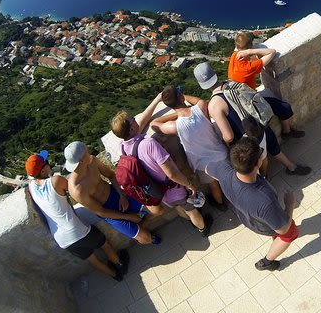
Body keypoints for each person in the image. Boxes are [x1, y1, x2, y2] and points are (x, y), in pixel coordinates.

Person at [110, 93, 212, 237]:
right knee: (191, 210)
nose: (135, 120)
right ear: (132, 129)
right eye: (133, 120)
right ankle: (203, 228)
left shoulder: (123, 147)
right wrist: (188, 184)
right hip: (173, 187)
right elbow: (171, 173)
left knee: (177, 206)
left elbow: (143, 120)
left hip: (157, 191)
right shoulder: (149, 144)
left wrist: (157, 99)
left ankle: (190, 221)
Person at [26, 150, 129, 281]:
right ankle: (120, 265)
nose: (49, 163)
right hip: (78, 231)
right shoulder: (56, 181)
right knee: (104, 244)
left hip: (62, 241)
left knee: (91, 258)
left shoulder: (31, 187)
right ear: (42, 171)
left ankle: (115, 276)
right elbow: (75, 191)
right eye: (46, 162)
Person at [195, 62, 311, 177]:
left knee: (259, 159)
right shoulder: (232, 83)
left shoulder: (214, 105)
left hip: (248, 139)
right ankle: (291, 167)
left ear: (201, 84)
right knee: (272, 147)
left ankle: (264, 178)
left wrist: (224, 142)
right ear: (214, 73)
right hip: (259, 123)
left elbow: (229, 136)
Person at [206, 137, 298, 271]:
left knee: (276, 225)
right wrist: (290, 204)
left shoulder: (223, 169)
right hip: (264, 225)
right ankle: (267, 262)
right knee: (289, 233)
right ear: (258, 163)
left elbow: (208, 169)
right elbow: (283, 229)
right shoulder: (264, 200)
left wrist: (223, 178)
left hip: (247, 218)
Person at [65, 141, 160, 245]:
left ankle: (142, 224)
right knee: (145, 238)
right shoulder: (76, 189)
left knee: (157, 209)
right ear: (82, 160)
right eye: (86, 151)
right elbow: (101, 212)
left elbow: (111, 175)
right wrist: (129, 217)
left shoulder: (92, 161)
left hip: (117, 194)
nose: (89, 151)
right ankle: (143, 233)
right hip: (108, 210)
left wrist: (122, 195)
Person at [150, 85, 228, 210]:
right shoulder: (201, 107)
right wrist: (183, 98)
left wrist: (175, 112)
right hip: (221, 153)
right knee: (228, 178)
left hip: (203, 165)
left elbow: (154, 124)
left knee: (213, 185)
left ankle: (221, 205)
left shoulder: (175, 127)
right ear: (181, 97)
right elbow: (199, 101)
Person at [228, 31, 304, 139]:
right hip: (249, 101)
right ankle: (287, 133)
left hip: (239, 99)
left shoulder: (234, 56)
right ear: (250, 45)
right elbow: (272, 52)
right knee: (285, 108)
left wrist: (247, 51)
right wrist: (251, 51)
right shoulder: (248, 67)